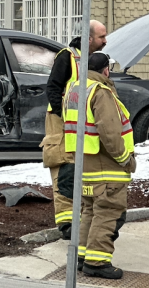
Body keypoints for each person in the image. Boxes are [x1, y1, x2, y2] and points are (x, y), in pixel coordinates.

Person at [60, 52, 135, 279]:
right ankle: (97, 261)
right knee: (108, 212)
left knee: (90, 212)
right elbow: (110, 133)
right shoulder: (100, 92)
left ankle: (83, 257)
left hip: (84, 163)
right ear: (106, 70)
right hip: (106, 165)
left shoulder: (74, 89)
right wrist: (125, 159)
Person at [42, 20, 107, 239]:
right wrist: (65, 116)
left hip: (83, 123)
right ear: (89, 39)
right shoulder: (67, 57)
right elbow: (53, 87)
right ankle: (67, 224)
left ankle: (80, 219)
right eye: (101, 37)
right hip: (62, 124)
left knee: (83, 169)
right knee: (64, 171)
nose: (105, 41)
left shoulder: (94, 60)